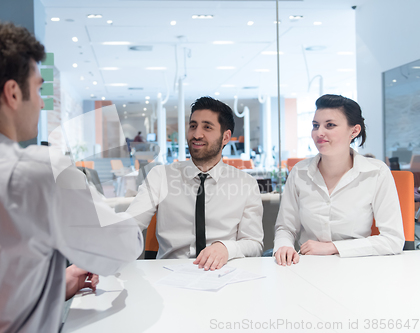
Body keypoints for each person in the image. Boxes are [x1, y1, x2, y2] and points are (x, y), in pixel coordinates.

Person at [0, 21, 142, 333]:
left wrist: (55, 285)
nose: (40, 102)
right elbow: (125, 246)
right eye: (37, 88)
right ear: (12, 93)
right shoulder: (37, 174)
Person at [127, 96, 263, 271]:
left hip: (223, 273)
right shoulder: (160, 176)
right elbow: (130, 225)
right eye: (193, 126)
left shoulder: (246, 184)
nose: (196, 134)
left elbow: (254, 244)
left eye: (207, 127)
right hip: (169, 276)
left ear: (225, 137)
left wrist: (226, 248)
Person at [274, 94, 404, 266]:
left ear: (354, 131)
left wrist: (333, 247)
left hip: (358, 266)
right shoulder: (299, 172)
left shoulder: (376, 173)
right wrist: (284, 246)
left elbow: (393, 240)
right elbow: (286, 228)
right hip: (309, 266)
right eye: (315, 125)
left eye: (330, 125)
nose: (319, 132)